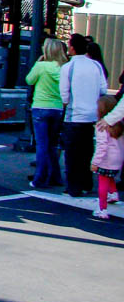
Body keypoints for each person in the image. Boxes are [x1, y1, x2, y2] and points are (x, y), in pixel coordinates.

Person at [60, 33, 107, 197]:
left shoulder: (68, 67)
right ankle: (87, 183)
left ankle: (74, 187)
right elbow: (103, 89)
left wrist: (67, 103)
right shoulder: (96, 66)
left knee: (72, 154)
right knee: (87, 151)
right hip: (92, 115)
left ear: (72, 48)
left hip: (75, 115)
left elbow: (64, 95)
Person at [25, 38, 68, 188]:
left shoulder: (41, 66)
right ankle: (55, 177)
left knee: (42, 145)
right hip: (57, 108)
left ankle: (39, 178)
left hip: (41, 106)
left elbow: (29, 80)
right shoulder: (64, 68)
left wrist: (38, 63)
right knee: (52, 145)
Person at [91, 95, 123, 219]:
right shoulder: (120, 125)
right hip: (118, 158)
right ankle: (113, 194)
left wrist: (95, 162)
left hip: (106, 159)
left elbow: (101, 146)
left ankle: (102, 209)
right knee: (110, 176)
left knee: (102, 182)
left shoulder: (101, 126)